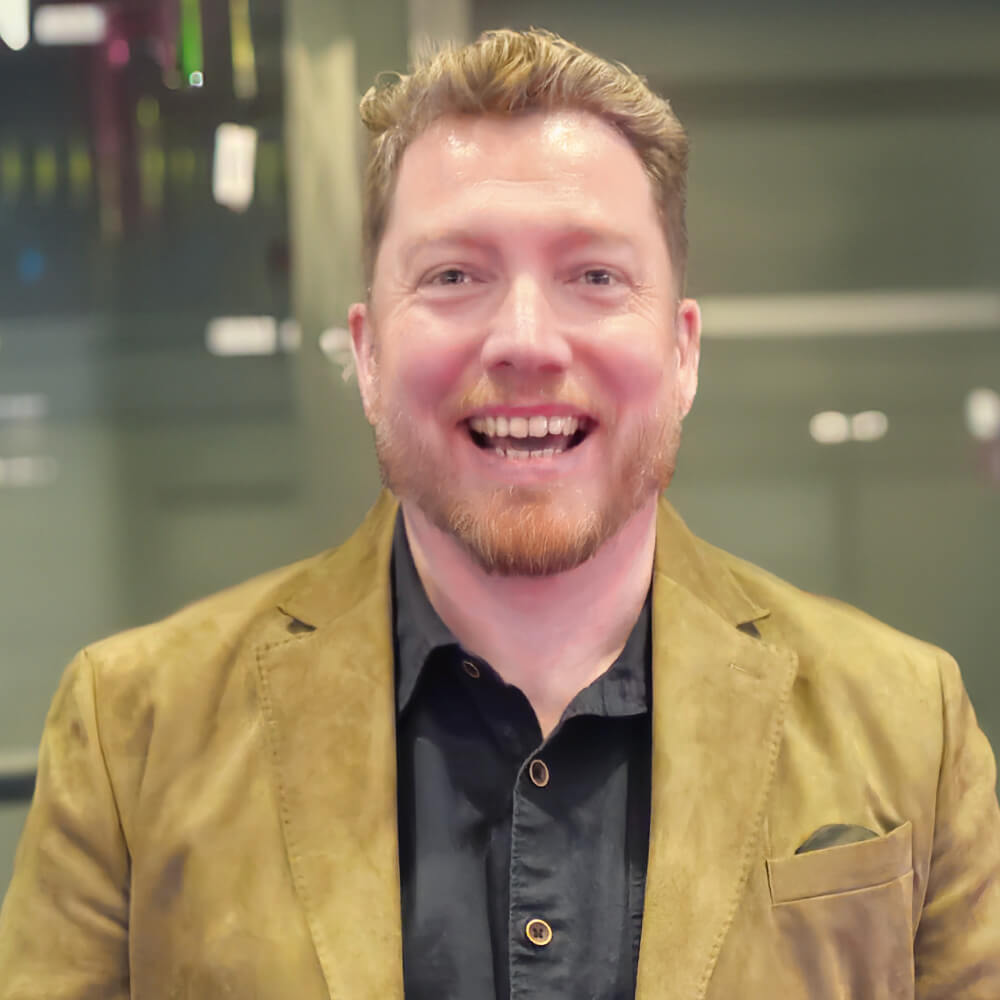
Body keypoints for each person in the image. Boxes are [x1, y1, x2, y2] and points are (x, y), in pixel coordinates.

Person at [1, 27, 999, 1000]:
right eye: (454, 276)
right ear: (369, 356)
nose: (525, 339)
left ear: (682, 352)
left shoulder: (911, 724)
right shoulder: (132, 734)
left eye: (595, 277)